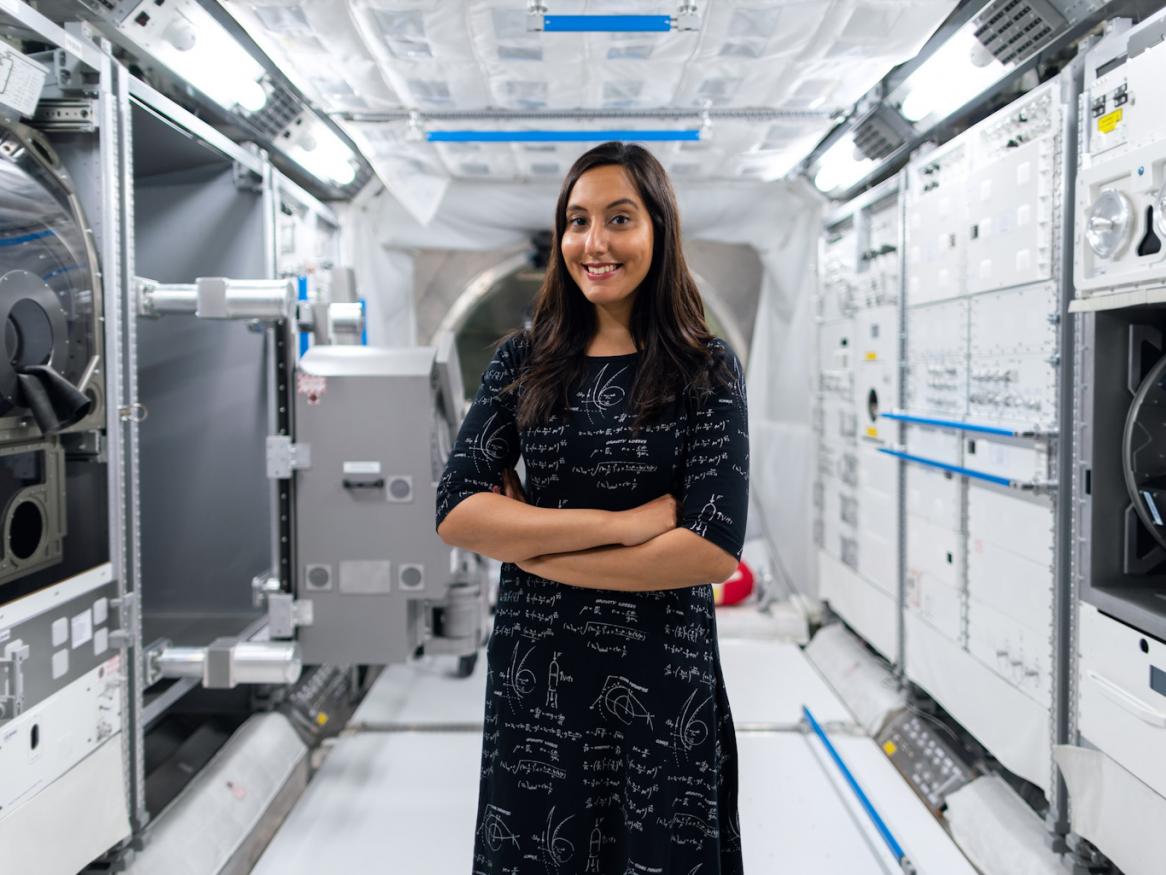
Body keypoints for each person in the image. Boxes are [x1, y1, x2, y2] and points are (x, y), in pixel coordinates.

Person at [435, 140, 749, 874]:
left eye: (618, 218)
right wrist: (625, 527)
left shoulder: (705, 366)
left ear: (659, 231)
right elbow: (457, 508)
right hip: (537, 677)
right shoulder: (523, 360)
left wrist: (530, 545)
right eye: (577, 221)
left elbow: (709, 548)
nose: (594, 242)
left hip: (662, 683)